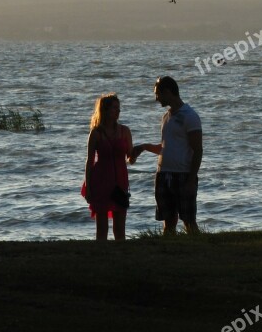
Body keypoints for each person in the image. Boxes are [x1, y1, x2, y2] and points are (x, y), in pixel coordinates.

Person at [133, 76, 202, 235]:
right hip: (163, 174)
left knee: (189, 220)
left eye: (158, 94)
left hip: (183, 175)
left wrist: (192, 180)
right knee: (168, 221)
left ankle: (197, 249)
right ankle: (169, 249)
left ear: (168, 92)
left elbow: (198, 150)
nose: (156, 98)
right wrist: (144, 147)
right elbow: (165, 147)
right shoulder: (166, 117)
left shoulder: (189, 116)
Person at [82, 93, 135, 241]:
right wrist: (89, 186)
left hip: (120, 180)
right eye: (114, 108)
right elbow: (90, 161)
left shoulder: (125, 131)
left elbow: (130, 158)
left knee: (120, 228)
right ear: (105, 110)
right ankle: (102, 256)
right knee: (102, 228)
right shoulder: (96, 133)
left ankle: (120, 256)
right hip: (100, 181)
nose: (118, 111)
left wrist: (142, 148)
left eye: (119, 108)